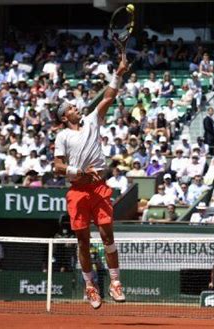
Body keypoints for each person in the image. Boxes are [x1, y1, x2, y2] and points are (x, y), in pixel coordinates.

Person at [53, 55, 128, 309]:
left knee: (108, 235)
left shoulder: (93, 120)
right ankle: (89, 285)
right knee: (83, 242)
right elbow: (58, 166)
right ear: (65, 117)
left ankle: (115, 282)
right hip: (78, 191)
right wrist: (80, 172)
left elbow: (109, 96)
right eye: (71, 108)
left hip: (98, 189)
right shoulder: (62, 135)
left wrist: (118, 73)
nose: (76, 108)